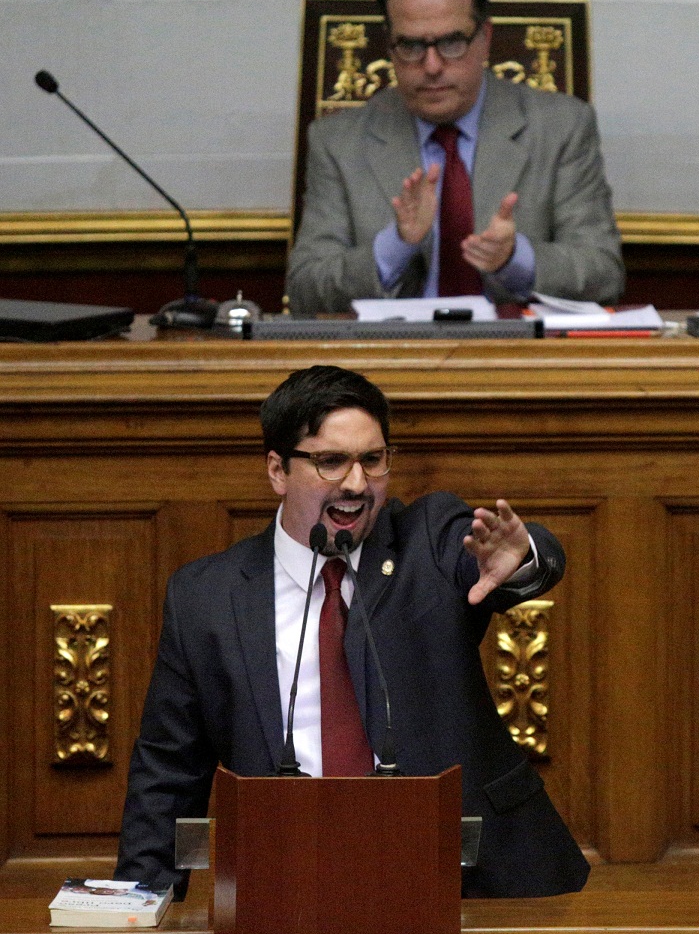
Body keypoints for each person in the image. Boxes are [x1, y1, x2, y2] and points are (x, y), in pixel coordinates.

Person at [115, 365, 589, 898]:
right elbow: (168, 769)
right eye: (331, 462)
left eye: (373, 460)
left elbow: (504, 559)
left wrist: (522, 559)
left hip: (473, 882)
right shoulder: (206, 597)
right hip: (291, 886)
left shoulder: (427, 541)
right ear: (277, 470)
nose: (357, 484)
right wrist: (138, 904)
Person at [287, 0, 624, 315]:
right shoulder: (338, 141)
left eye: (451, 43)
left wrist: (514, 258)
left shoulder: (561, 128)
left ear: (485, 38)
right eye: (411, 46)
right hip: (388, 361)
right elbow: (306, 287)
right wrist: (395, 246)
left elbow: (603, 274)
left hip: (516, 361)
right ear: (390, 45)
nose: (432, 66)